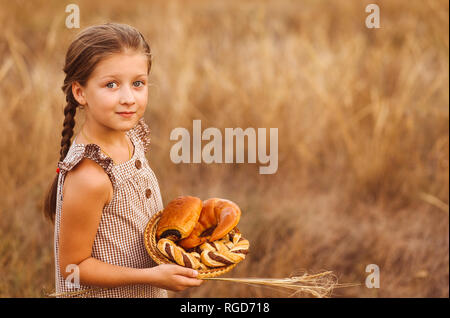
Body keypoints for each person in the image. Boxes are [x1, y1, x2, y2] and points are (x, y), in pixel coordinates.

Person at [43, 23, 203, 297]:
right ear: (80, 92)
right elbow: (73, 267)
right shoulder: (90, 175)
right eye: (111, 85)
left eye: (138, 83)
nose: (128, 98)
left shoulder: (132, 137)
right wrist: (151, 276)